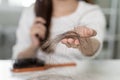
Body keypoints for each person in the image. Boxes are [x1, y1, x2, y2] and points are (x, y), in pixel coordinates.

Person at [13, 0, 106, 66]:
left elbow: (94, 49)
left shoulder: (91, 12)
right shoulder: (31, 12)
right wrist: (34, 46)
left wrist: (86, 41)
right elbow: (19, 58)